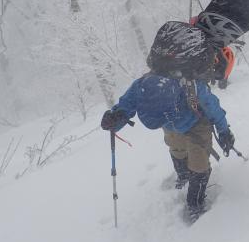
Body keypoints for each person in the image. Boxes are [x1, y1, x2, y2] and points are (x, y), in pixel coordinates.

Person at [100, 71, 235, 220]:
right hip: (171, 125)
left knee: (199, 164)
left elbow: (212, 106)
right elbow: (125, 106)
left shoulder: (190, 84)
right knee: (177, 150)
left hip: (196, 122)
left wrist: (224, 131)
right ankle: (183, 176)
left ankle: (195, 204)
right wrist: (114, 119)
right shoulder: (141, 86)